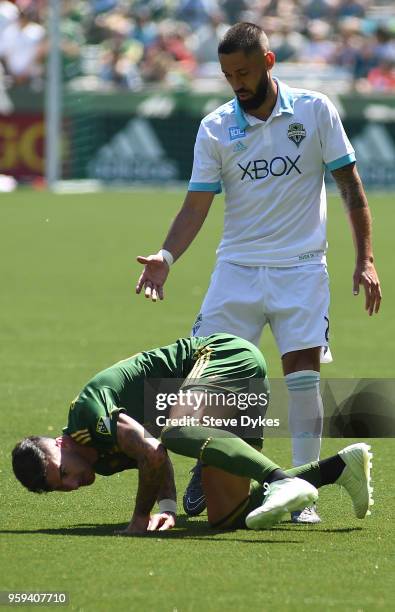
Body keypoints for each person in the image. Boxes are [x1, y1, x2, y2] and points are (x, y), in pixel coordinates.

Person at [135, 22, 382, 523]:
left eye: (244, 72)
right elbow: (196, 206)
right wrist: (167, 256)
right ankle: (212, 468)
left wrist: (366, 258)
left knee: (303, 378)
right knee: (211, 382)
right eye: (228, 75)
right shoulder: (215, 126)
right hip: (237, 271)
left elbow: (350, 186)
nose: (236, 83)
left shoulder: (315, 110)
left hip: (301, 269)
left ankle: (302, 495)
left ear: (268, 64)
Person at [12, 334, 374, 534]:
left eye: (63, 474)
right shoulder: (98, 462)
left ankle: (279, 480)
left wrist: (140, 518)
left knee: (177, 428)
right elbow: (153, 458)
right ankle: (340, 468)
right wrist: (167, 507)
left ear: (59, 444)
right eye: (64, 488)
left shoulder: (86, 418)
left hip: (225, 357)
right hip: (230, 390)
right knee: (228, 517)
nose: (74, 485)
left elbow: (153, 450)